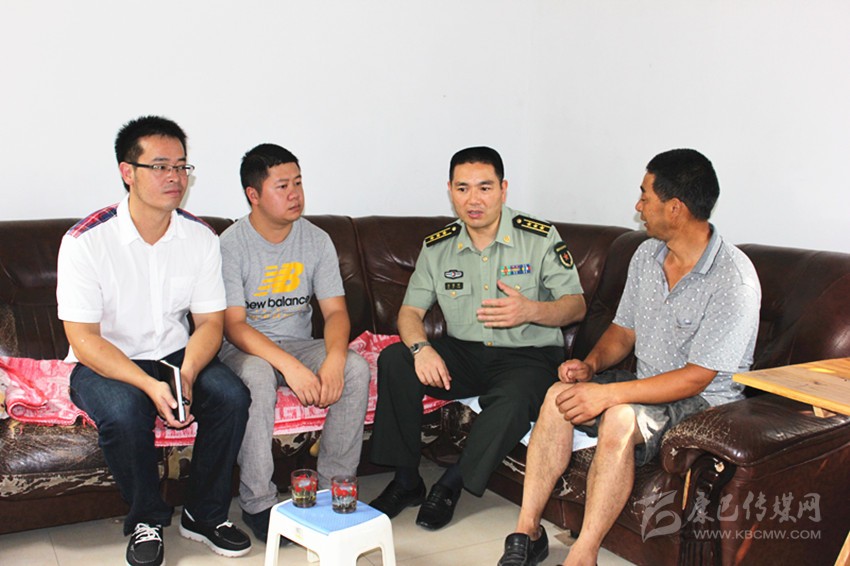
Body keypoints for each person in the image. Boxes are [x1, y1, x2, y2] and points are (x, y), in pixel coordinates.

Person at [496, 148, 761, 566]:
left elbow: (697, 378)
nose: (638, 206)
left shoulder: (733, 279)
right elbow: (623, 332)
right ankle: (527, 531)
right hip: (647, 385)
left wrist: (609, 396)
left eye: (644, 196)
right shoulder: (646, 256)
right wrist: (590, 367)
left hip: (705, 404)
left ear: (675, 208)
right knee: (558, 395)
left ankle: (583, 554)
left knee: (620, 417)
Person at [57, 116, 252, 566]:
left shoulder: (200, 237)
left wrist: (186, 376)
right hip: (107, 359)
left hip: (174, 354)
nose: (175, 178)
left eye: (182, 167)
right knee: (125, 412)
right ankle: (147, 518)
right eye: (161, 166)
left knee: (231, 397)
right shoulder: (86, 241)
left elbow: (210, 324)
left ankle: (204, 515)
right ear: (128, 172)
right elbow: (83, 339)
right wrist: (148, 386)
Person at [369, 146, 587, 531]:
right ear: (450, 191)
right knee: (395, 359)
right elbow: (410, 312)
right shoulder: (438, 247)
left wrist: (531, 310)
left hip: (528, 356)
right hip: (466, 354)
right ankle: (406, 481)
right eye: (463, 188)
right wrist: (421, 349)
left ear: (503, 189)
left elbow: (576, 306)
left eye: (484, 188)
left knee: (516, 397)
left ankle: (451, 484)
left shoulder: (538, 237)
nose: (473, 199)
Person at [218, 143, 370, 543]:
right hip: (246, 348)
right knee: (257, 375)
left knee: (355, 367)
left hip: (298, 343)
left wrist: (334, 357)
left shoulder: (316, 239)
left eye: (298, 183)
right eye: (282, 186)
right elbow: (234, 326)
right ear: (253, 194)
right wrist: (290, 367)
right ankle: (258, 502)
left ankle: (331, 491)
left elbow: (335, 313)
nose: (295, 194)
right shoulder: (231, 244)